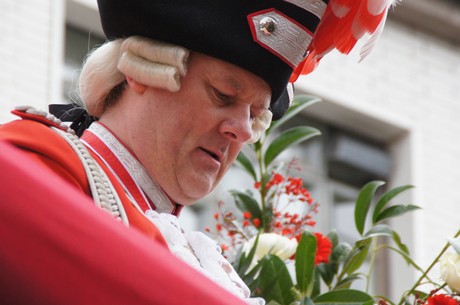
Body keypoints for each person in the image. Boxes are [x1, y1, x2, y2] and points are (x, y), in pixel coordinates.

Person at [0, 0, 396, 304]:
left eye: (256, 116)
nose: (242, 131)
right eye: (223, 95)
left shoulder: (205, 262)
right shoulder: (33, 162)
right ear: (144, 69)